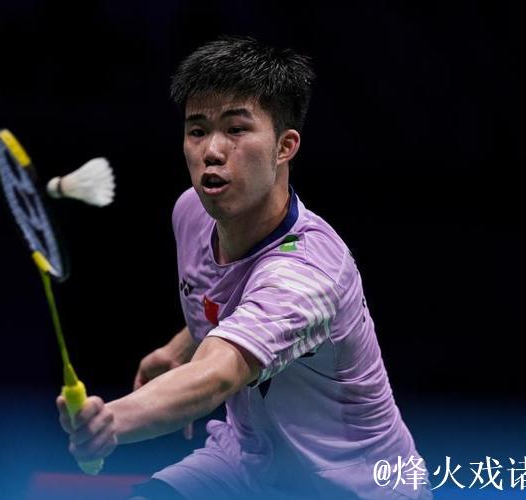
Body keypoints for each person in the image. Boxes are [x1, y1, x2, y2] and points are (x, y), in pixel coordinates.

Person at [57, 36, 432, 499]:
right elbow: (230, 300)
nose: (212, 151)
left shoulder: (307, 274)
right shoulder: (192, 213)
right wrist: (181, 349)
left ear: (284, 146)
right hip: (244, 458)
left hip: (349, 486)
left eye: (236, 129)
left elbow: (221, 372)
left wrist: (110, 421)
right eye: (197, 131)